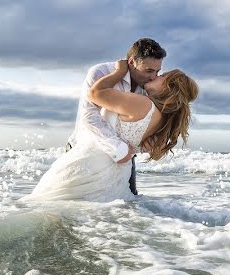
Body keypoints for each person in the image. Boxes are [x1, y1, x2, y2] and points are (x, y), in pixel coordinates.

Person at [25, 59, 198, 202]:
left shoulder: (143, 104)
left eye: (163, 76)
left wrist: (118, 72)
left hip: (93, 164)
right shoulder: (163, 118)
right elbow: (146, 145)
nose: (157, 76)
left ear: (169, 87)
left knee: (49, 207)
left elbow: (95, 94)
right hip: (117, 174)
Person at [67, 38, 167, 195]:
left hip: (125, 159)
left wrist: (153, 144)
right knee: (76, 208)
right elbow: (89, 115)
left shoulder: (150, 87)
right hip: (87, 151)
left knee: (128, 207)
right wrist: (117, 149)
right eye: (149, 70)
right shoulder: (101, 72)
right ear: (132, 62)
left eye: (157, 71)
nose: (153, 76)